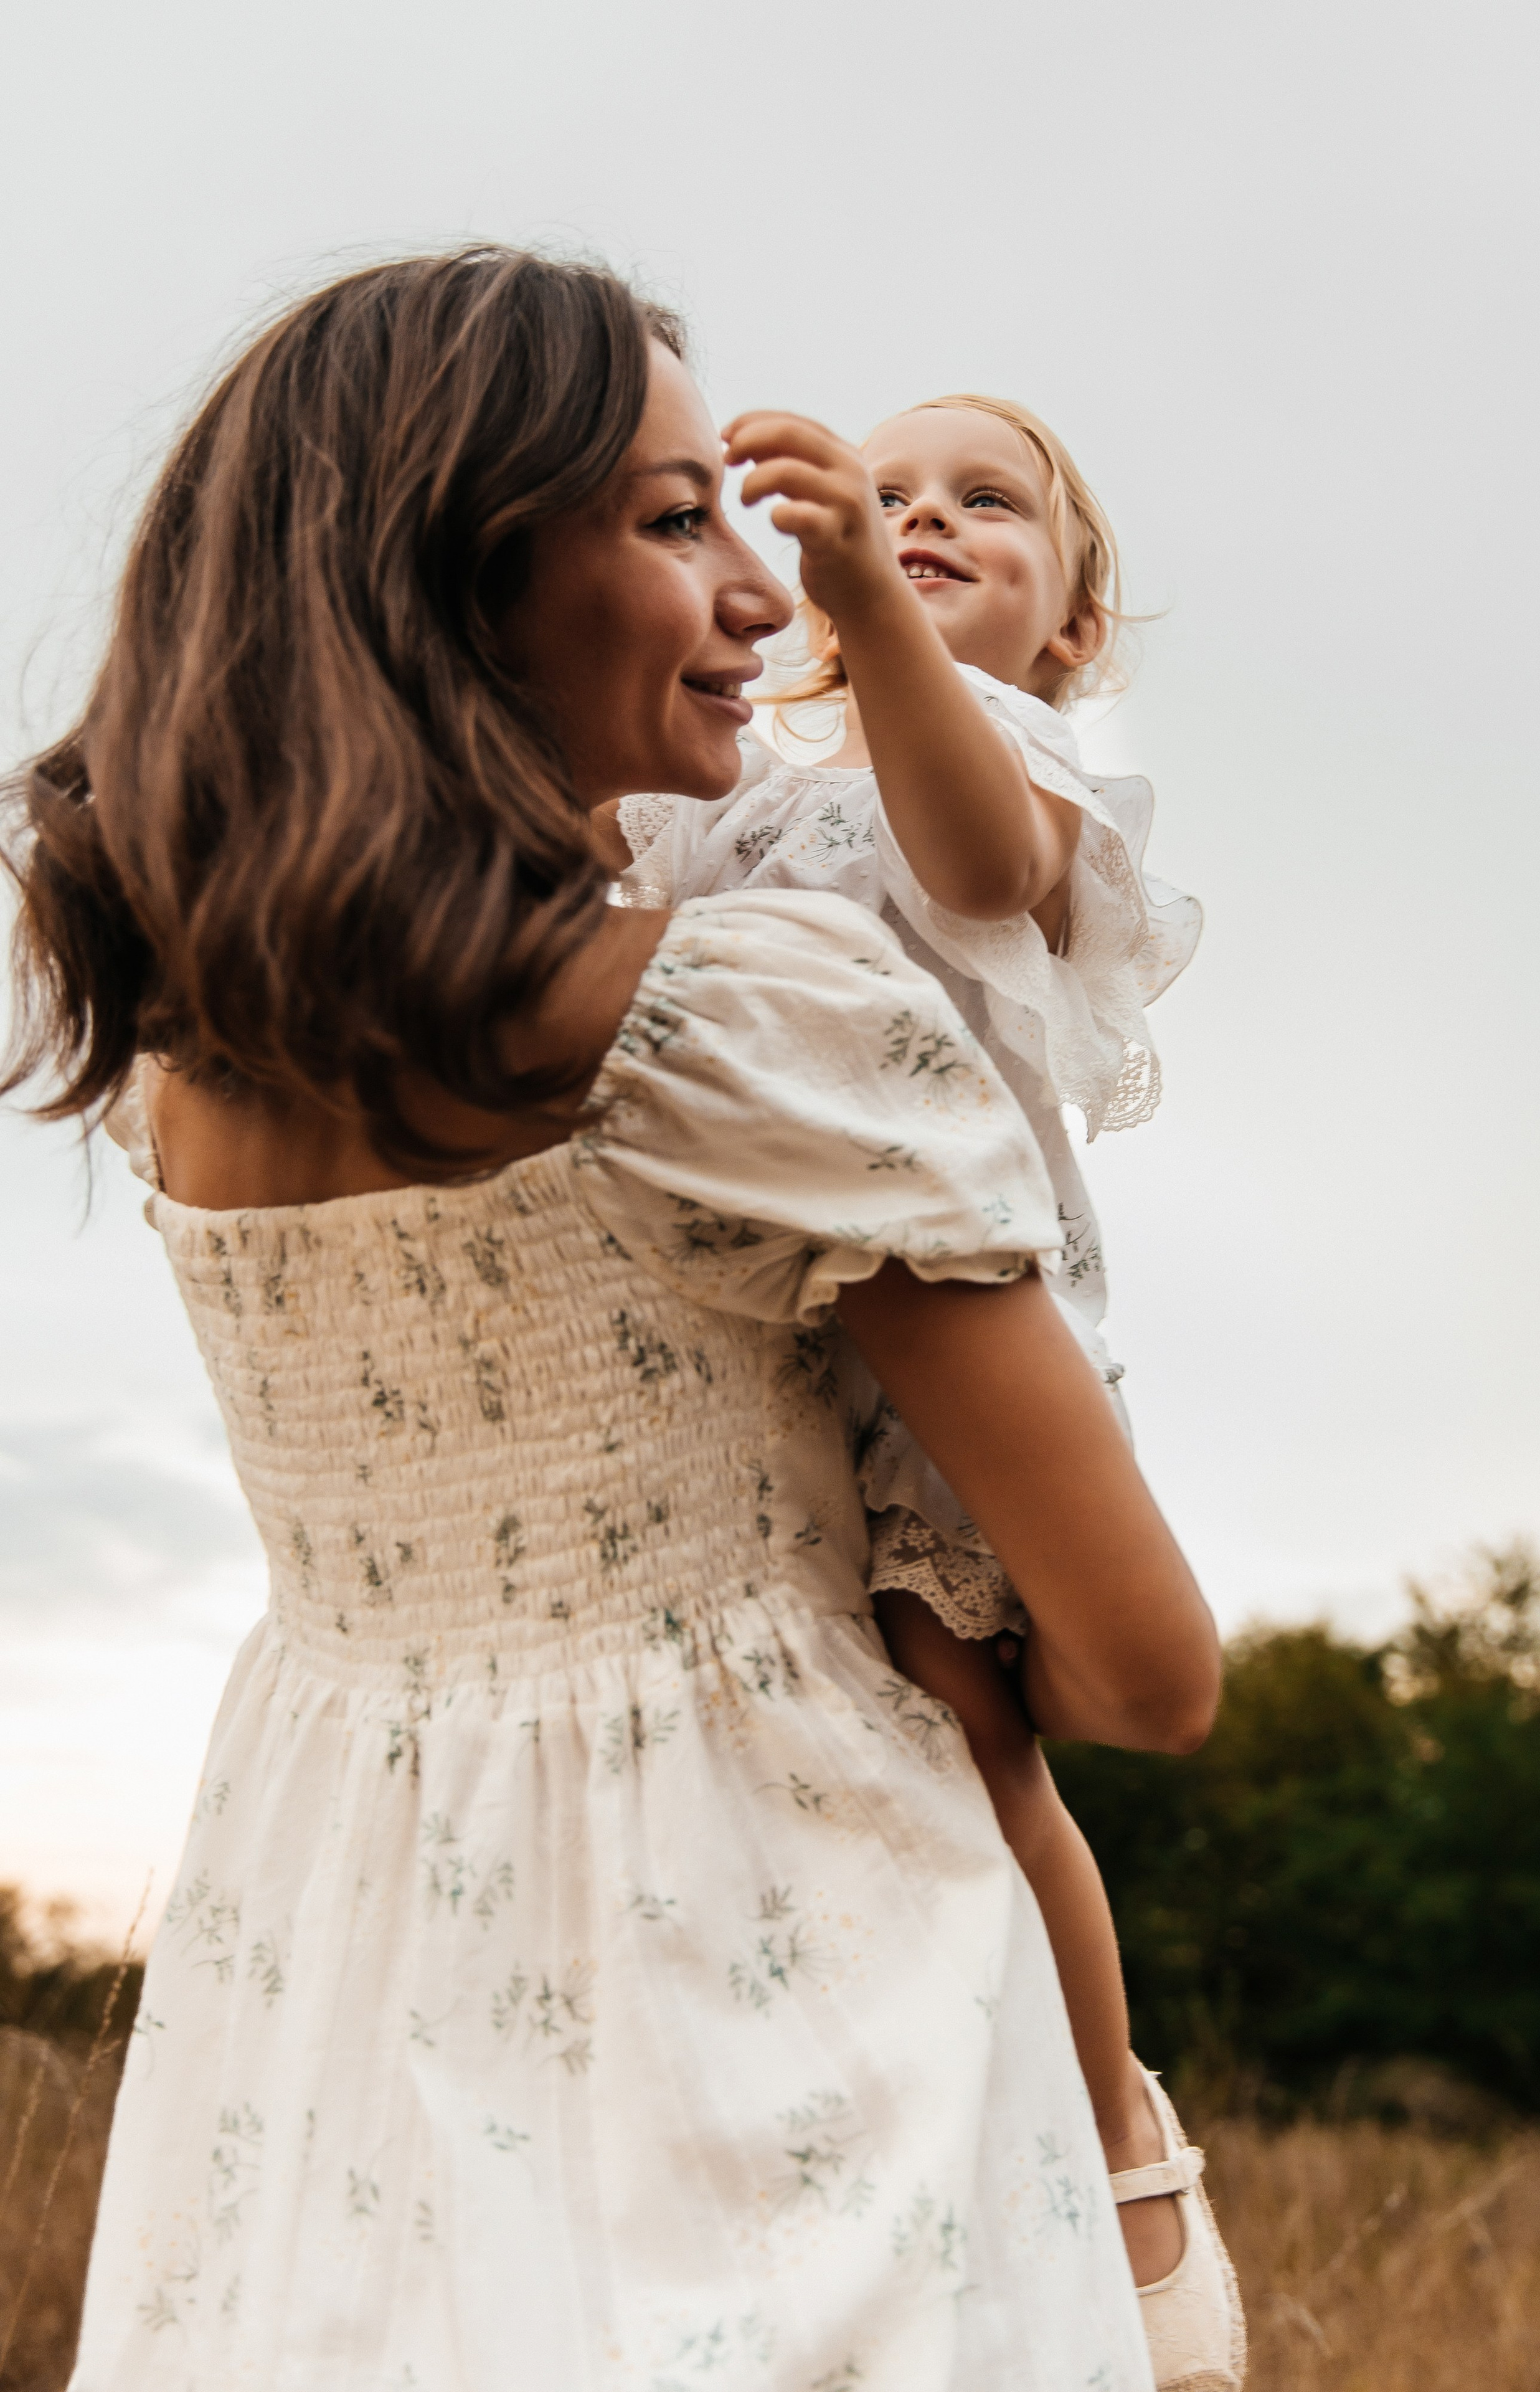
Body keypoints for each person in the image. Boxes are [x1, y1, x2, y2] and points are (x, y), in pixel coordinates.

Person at [4, 247, 1223, 2391]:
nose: (765, 593)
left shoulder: (194, 1069)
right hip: (786, 2004)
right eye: (675, 523)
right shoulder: (743, 1019)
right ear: (460, 583)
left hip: (320, 1987)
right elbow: (1143, 1673)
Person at [596, 394, 1242, 2380]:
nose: (923, 517)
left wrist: (871, 606)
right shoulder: (761, 794)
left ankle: (1114, 2124)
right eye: (884, 498)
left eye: (984, 505)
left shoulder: (1015, 756)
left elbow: (971, 871)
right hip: (771, 1316)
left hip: (963, 1329)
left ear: (1071, 630)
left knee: (971, 1733)